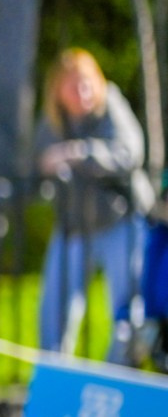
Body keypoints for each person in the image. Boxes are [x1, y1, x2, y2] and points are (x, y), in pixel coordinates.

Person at [34, 49, 157, 362]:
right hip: (74, 226)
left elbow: (131, 152)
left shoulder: (110, 105)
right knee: (54, 312)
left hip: (121, 222)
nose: (83, 92)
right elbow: (36, 166)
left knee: (130, 313)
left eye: (87, 83)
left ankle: (113, 378)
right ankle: (56, 380)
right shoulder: (52, 123)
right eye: (73, 85)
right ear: (57, 90)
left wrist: (81, 153)